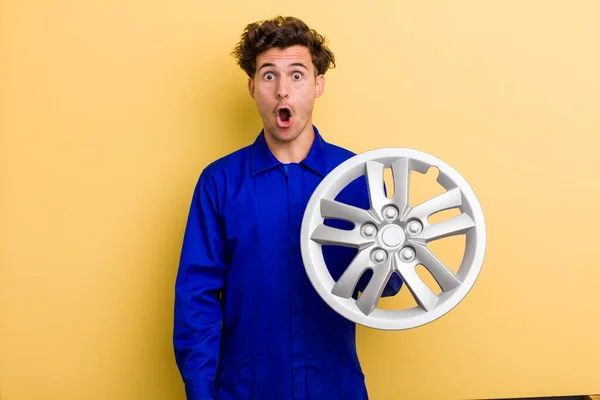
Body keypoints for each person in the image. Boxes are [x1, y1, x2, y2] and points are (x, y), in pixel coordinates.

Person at [173, 16, 402, 400]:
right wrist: (200, 391)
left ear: (318, 85)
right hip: (246, 389)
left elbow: (383, 287)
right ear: (252, 87)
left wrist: (392, 254)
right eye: (268, 76)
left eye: (297, 75)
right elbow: (196, 300)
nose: (283, 91)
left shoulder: (358, 178)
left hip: (335, 385)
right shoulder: (219, 182)